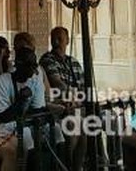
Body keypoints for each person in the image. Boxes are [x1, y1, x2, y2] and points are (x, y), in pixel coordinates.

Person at [39, 26, 87, 171]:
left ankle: (79, 166)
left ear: (67, 41)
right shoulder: (47, 59)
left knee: (87, 127)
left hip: (76, 105)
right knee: (73, 126)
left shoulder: (74, 62)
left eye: (60, 38)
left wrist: (79, 98)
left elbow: (83, 86)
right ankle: (67, 165)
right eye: (54, 38)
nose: (56, 41)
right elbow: (57, 83)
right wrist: (73, 96)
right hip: (58, 106)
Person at [0, 47, 51, 154]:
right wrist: (21, 101)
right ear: (18, 64)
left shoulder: (35, 80)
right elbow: (3, 117)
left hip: (29, 121)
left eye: (35, 65)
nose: (34, 69)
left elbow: (38, 110)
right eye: (29, 65)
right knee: (26, 132)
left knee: (54, 129)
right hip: (6, 126)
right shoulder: (1, 81)